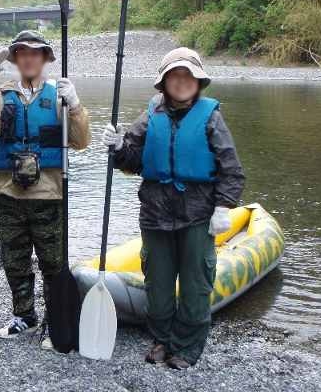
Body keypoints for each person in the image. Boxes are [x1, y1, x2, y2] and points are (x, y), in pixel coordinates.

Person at [102, 47, 245, 369]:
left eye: (188, 76)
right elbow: (132, 160)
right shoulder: (151, 113)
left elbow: (232, 169)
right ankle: (162, 339)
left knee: (196, 285)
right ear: (164, 82)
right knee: (158, 284)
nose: (181, 81)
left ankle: (186, 347)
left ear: (198, 81)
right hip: (155, 214)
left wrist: (223, 206)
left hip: (197, 215)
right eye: (174, 76)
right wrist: (118, 146)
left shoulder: (211, 117)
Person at [0, 30, 91, 348]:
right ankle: (24, 316)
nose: (28, 58)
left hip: (49, 195)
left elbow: (81, 141)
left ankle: (56, 322)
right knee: (14, 260)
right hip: (9, 194)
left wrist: (76, 106)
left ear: (45, 59)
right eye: (22, 53)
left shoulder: (59, 97)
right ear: (15, 59)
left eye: (35, 53)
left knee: (53, 263)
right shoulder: (0, 99)